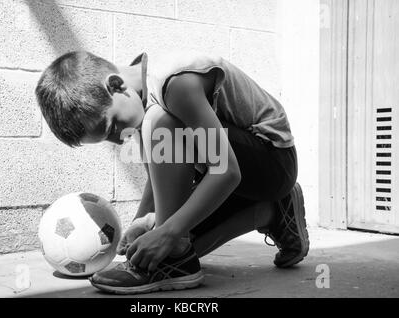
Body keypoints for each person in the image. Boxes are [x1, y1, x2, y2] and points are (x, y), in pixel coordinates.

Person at [35, 50, 309, 295]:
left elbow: (226, 172)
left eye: (111, 128)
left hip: (273, 163)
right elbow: (159, 182)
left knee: (170, 245)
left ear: (116, 86)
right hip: (238, 173)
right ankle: (274, 212)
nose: (118, 140)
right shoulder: (140, 101)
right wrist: (142, 223)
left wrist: (168, 234)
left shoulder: (175, 84)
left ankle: (274, 198)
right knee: (171, 253)